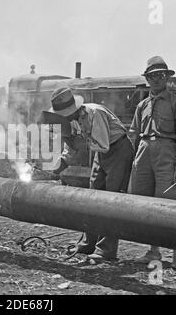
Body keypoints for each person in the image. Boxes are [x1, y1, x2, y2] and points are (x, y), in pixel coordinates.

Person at [48, 87, 135, 261]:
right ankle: (89, 243)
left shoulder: (96, 113)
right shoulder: (72, 120)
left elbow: (102, 145)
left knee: (111, 200)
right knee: (92, 196)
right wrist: (60, 165)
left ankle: (106, 249)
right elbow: (71, 147)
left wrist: (76, 142)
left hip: (118, 150)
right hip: (101, 154)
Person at [129, 56, 176, 271]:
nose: (156, 79)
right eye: (152, 76)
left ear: (166, 77)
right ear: (147, 79)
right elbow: (135, 135)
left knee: (170, 207)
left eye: (160, 75)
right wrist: (134, 161)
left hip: (167, 153)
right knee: (147, 205)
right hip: (144, 153)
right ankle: (153, 251)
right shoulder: (142, 105)